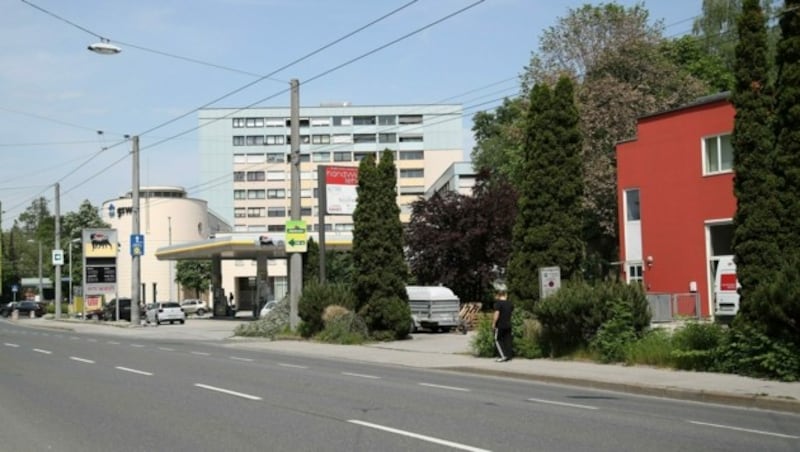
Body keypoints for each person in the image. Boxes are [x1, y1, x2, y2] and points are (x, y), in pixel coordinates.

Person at [492, 284, 513, 362]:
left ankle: (502, 356)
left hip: (500, 325)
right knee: (507, 340)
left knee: (497, 339)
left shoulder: (498, 304)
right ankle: (508, 356)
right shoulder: (510, 303)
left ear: (499, 295)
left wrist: (494, 323)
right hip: (508, 324)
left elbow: (496, 314)